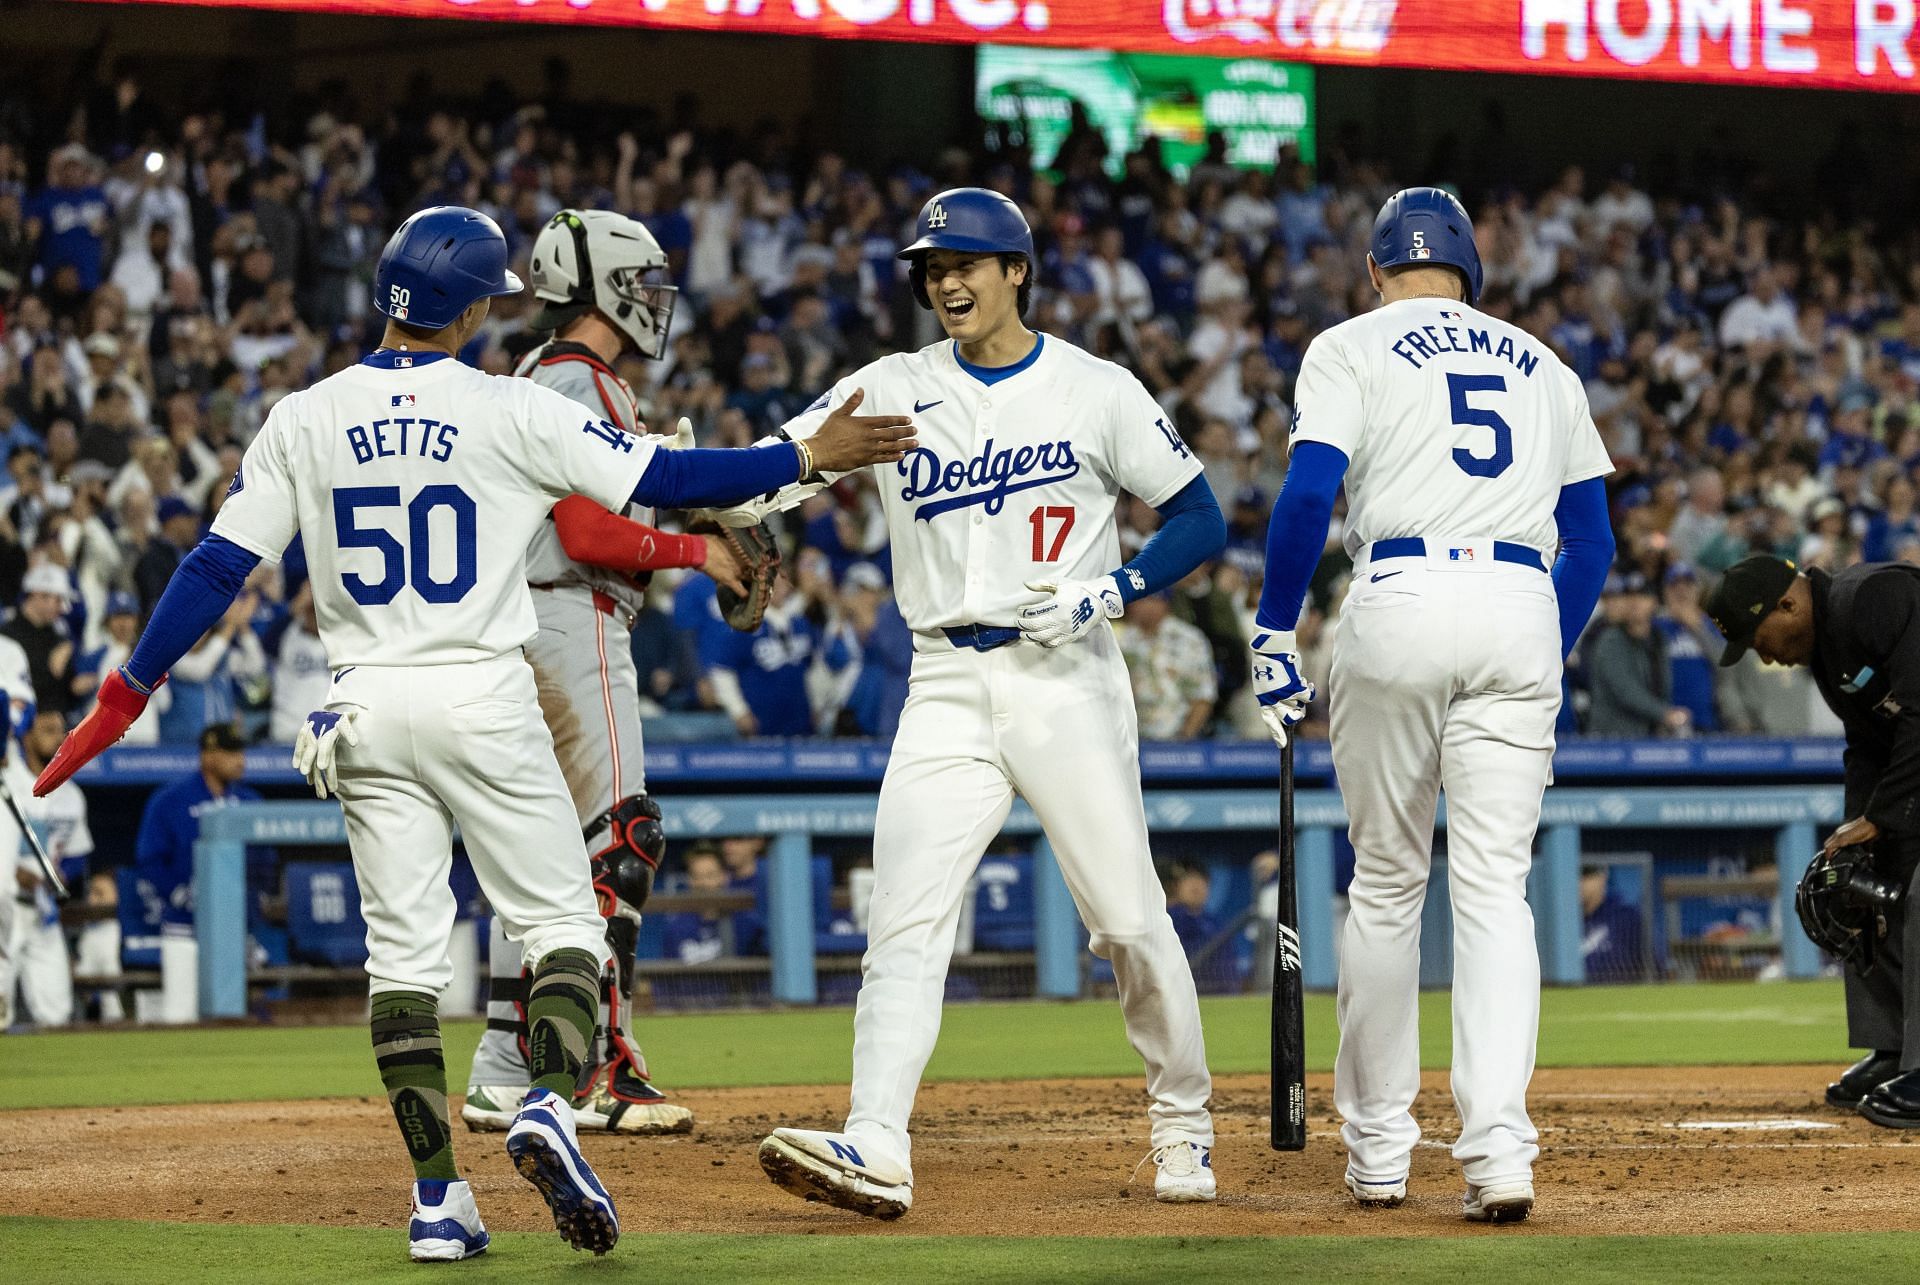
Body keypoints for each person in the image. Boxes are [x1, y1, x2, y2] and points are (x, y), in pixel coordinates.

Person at [29, 205, 914, 1262]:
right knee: (567, 934)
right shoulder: (505, 407)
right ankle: (546, 1101)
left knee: (399, 963)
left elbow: (216, 569)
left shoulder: (304, 414)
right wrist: (803, 449)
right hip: (482, 695)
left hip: (356, 706)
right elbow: (670, 482)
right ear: (478, 305)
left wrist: (124, 695)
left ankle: (437, 1197)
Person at [753, 187, 1226, 1218]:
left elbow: (1199, 515)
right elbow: (781, 469)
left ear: (1018, 269)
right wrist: (724, 498)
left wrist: (1115, 589)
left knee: (1131, 922)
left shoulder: (1095, 388)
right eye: (931, 269)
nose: (947, 283)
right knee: (904, 921)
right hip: (944, 680)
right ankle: (877, 1138)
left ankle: (1183, 1123)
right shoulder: (890, 386)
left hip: (1067, 678)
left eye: (966, 263)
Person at [1251, 188, 1614, 1223]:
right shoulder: (1545, 364)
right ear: (1472, 276)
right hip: (1518, 602)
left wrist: (1277, 630)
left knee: (1386, 885)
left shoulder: (1350, 344)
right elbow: (1591, 544)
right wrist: (1545, 632)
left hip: (1399, 596)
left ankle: (1377, 1154)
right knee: (1495, 891)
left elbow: (1311, 494)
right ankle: (1499, 1154)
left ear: (1376, 270)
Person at [465, 208, 749, 1140]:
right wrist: (695, 552)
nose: (659, 303)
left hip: (519, 620)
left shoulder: (538, 377)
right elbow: (587, 534)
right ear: (612, 290)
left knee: (546, 858)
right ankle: (600, 1064)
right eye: (649, 285)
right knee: (618, 841)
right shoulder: (578, 381)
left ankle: (510, 1063)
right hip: (569, 611)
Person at [1704, 554, 1920, 1127]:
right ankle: (1898, 1049)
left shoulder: (1874, 598)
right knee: (1862, 881)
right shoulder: (1827, 651)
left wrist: (1882, 814)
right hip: (1910, 771)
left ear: (1788, 603)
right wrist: (1859, 833)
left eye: (1758, 639)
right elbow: (1868, 749)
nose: (1764, 655)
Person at [130, 724, 264, 1026]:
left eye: (241, 752)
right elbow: (148, 859)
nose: (240, 759)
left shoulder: (250, 801)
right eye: (230, 752)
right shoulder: (171, 799)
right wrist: (178, 893)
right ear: (208, 755)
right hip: (184, 925)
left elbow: (265, 860)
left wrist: (252, 899)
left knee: (235, 1018)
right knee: (181, 1015)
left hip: (236, 928)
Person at [4, 709, 96, 1026]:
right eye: (47, 730)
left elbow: (76, 852)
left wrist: (61, 873)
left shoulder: (71, 795)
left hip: (44, 914)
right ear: (25, 736)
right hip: (7, 908)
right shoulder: (8, 784)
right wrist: (15, 871)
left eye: (61, 730)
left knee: (56, 1014)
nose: (58, 738)